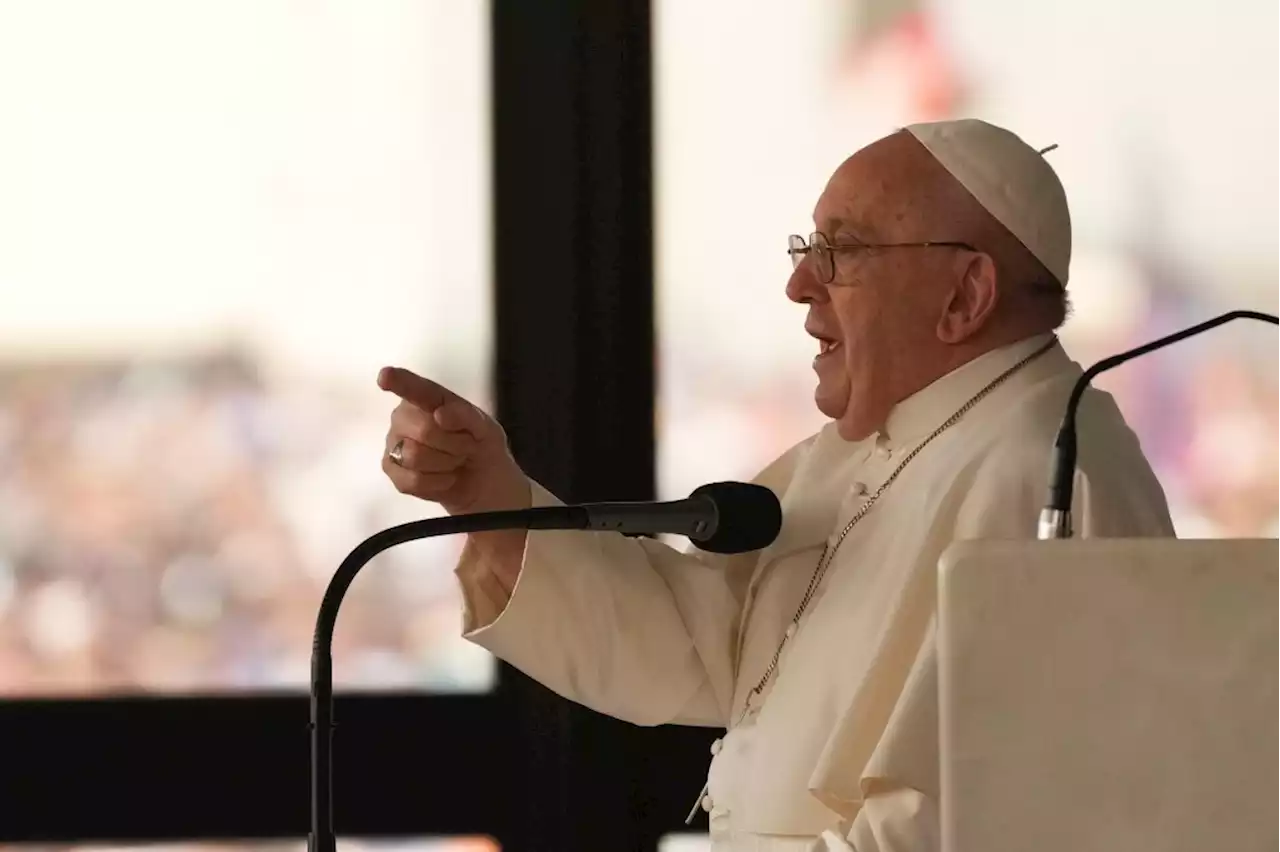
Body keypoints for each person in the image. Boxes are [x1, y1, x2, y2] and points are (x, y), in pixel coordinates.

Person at [376, 119, 1175, 851]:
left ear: (965, 295)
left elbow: (977, 816)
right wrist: (494, 501)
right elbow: (697, 643)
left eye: (843, 250)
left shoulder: (1050, 468)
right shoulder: (852, 454)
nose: (800, 285)